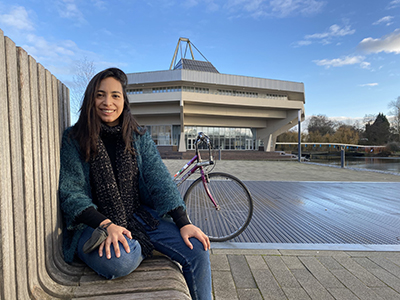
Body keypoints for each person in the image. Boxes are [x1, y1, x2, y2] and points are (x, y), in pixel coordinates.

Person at [59, 67, 212, 300]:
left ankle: (140, 242)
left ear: (124, 100)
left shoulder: (138, 137)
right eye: (100, 95)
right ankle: (140, 244)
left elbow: (159, 180)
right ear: (91, 98)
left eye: (115, 95)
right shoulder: (75, 138)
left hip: (139, 218)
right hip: (92, 225)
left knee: (198, 250)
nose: (107, 102)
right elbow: (72, 193)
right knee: (120, 261)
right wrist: (107, 225)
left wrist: (183, 222)